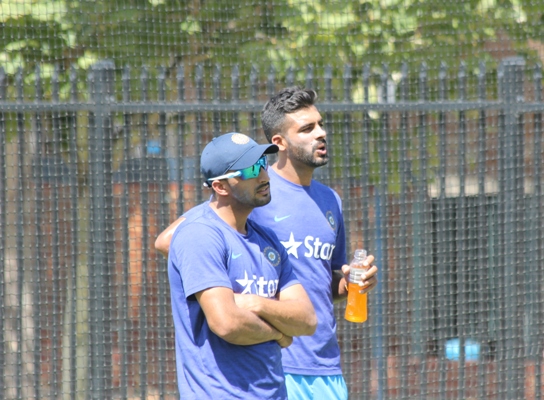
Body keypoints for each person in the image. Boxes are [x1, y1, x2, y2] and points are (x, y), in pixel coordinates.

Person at [157, 88, 378, 400]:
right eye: (307, 128)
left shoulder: (331, 200)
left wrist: (351, 283)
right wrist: (232, 294)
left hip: (324, 364)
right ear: (280, 142)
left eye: (320, 124)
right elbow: (169, 241)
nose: (322, 133)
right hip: (274, 363)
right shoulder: (254, 195)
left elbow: (322, 282)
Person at [166, 132, 317, 400]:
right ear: (221, 187)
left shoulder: (267, 240)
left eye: (263, 164)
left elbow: (307, 319)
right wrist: (279, 335)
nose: (263, 175)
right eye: (250, 169)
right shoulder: (200, 234)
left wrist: (255, 303)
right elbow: (227, 323)